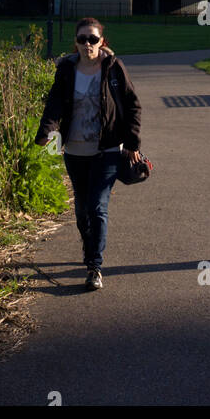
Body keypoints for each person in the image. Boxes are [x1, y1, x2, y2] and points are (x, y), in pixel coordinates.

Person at [35, 17, 142, 291]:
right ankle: (89, 246)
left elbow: (132, 105)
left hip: (107, 150)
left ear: (101, 42)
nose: (87, 44)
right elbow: (55, 102)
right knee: (82, 210)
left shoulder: (113, 68)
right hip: (75, 150)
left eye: (92, 39)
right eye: (82, 39)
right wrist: (46, 132)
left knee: (97, 207)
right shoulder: (67, 69)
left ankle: (95, 267)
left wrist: (132, 143)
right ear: (76, 42)